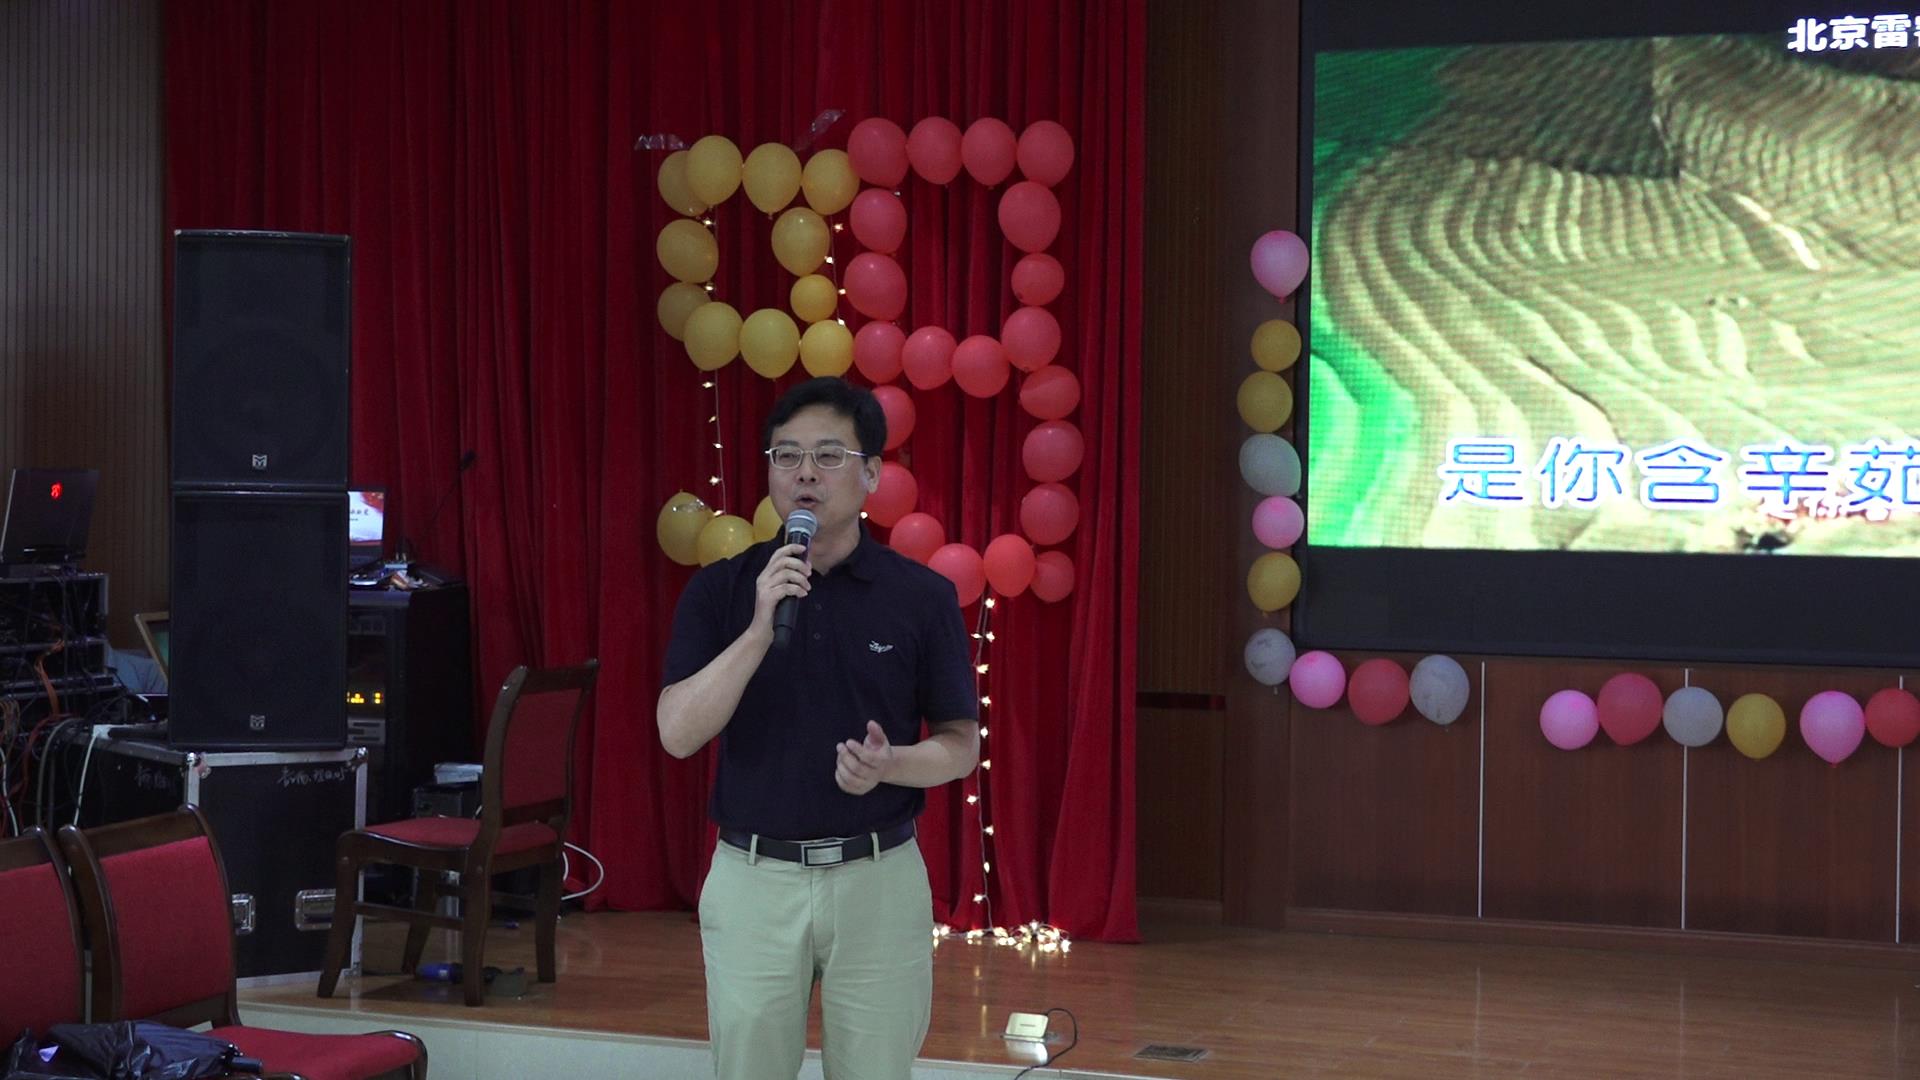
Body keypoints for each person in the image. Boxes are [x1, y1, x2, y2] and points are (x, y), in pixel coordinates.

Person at [658, 376, 981, 1080]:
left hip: (878, 880)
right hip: (754, 881)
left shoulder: (921, 597)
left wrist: (890, 764)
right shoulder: (722, 590)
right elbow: (677, 733)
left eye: (830, 455)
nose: (805, 473)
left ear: (872, 474)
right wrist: (758, 629)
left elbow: (962, 745)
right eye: (787, 455)